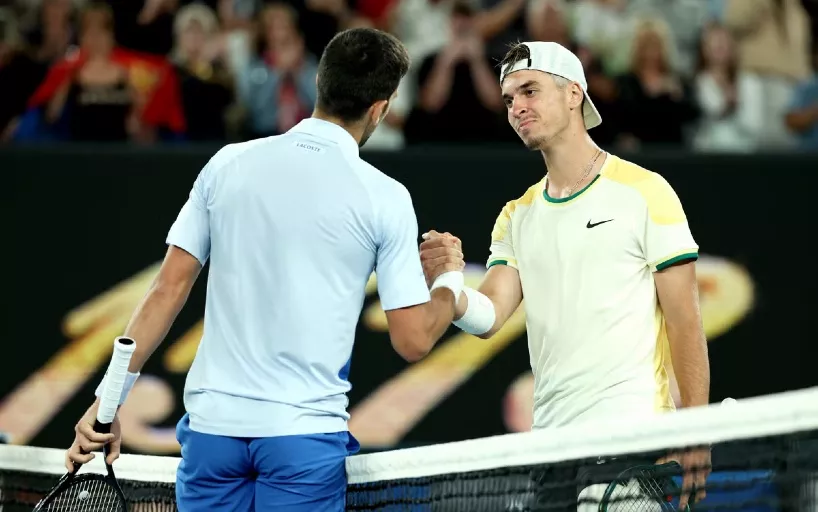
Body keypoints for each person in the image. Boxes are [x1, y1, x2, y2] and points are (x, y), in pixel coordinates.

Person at [65, 27, 466, 512]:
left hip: (213, 435)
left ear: (320, 84)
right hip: (301, 441)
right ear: (380, 108)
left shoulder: (227, 164)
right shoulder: (384, 196)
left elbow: (166, 290)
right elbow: (413, 339)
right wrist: (448, 280)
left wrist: (107, 405)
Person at [419, 41, 711, 510]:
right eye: (510, 99)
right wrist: (450, 282)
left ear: (574, 94)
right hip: (551, 449)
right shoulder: (517, 215)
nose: (517, 108)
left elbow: (685, 321)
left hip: (629, 438)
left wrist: (697, 431)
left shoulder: (646, 192)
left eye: (530, 91)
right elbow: (489, 314)